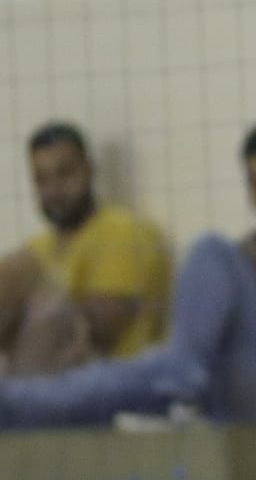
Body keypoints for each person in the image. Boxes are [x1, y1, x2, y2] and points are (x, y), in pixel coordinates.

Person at [0, 122, 256, 426]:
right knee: (132, 378)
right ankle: (22, 403)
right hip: (231, 396)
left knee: (210, 250)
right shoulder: (251, 248)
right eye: (255, 180)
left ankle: (179, 374)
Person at [0, 123, 168, 375]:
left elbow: (99, 330)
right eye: (42, 179)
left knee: (18, 271)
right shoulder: (36, 247)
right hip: (37, 380)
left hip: (111, 381)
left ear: (88, 169)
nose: (54, 190)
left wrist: (33, 302)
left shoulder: (126, 231)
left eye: (64, 173)